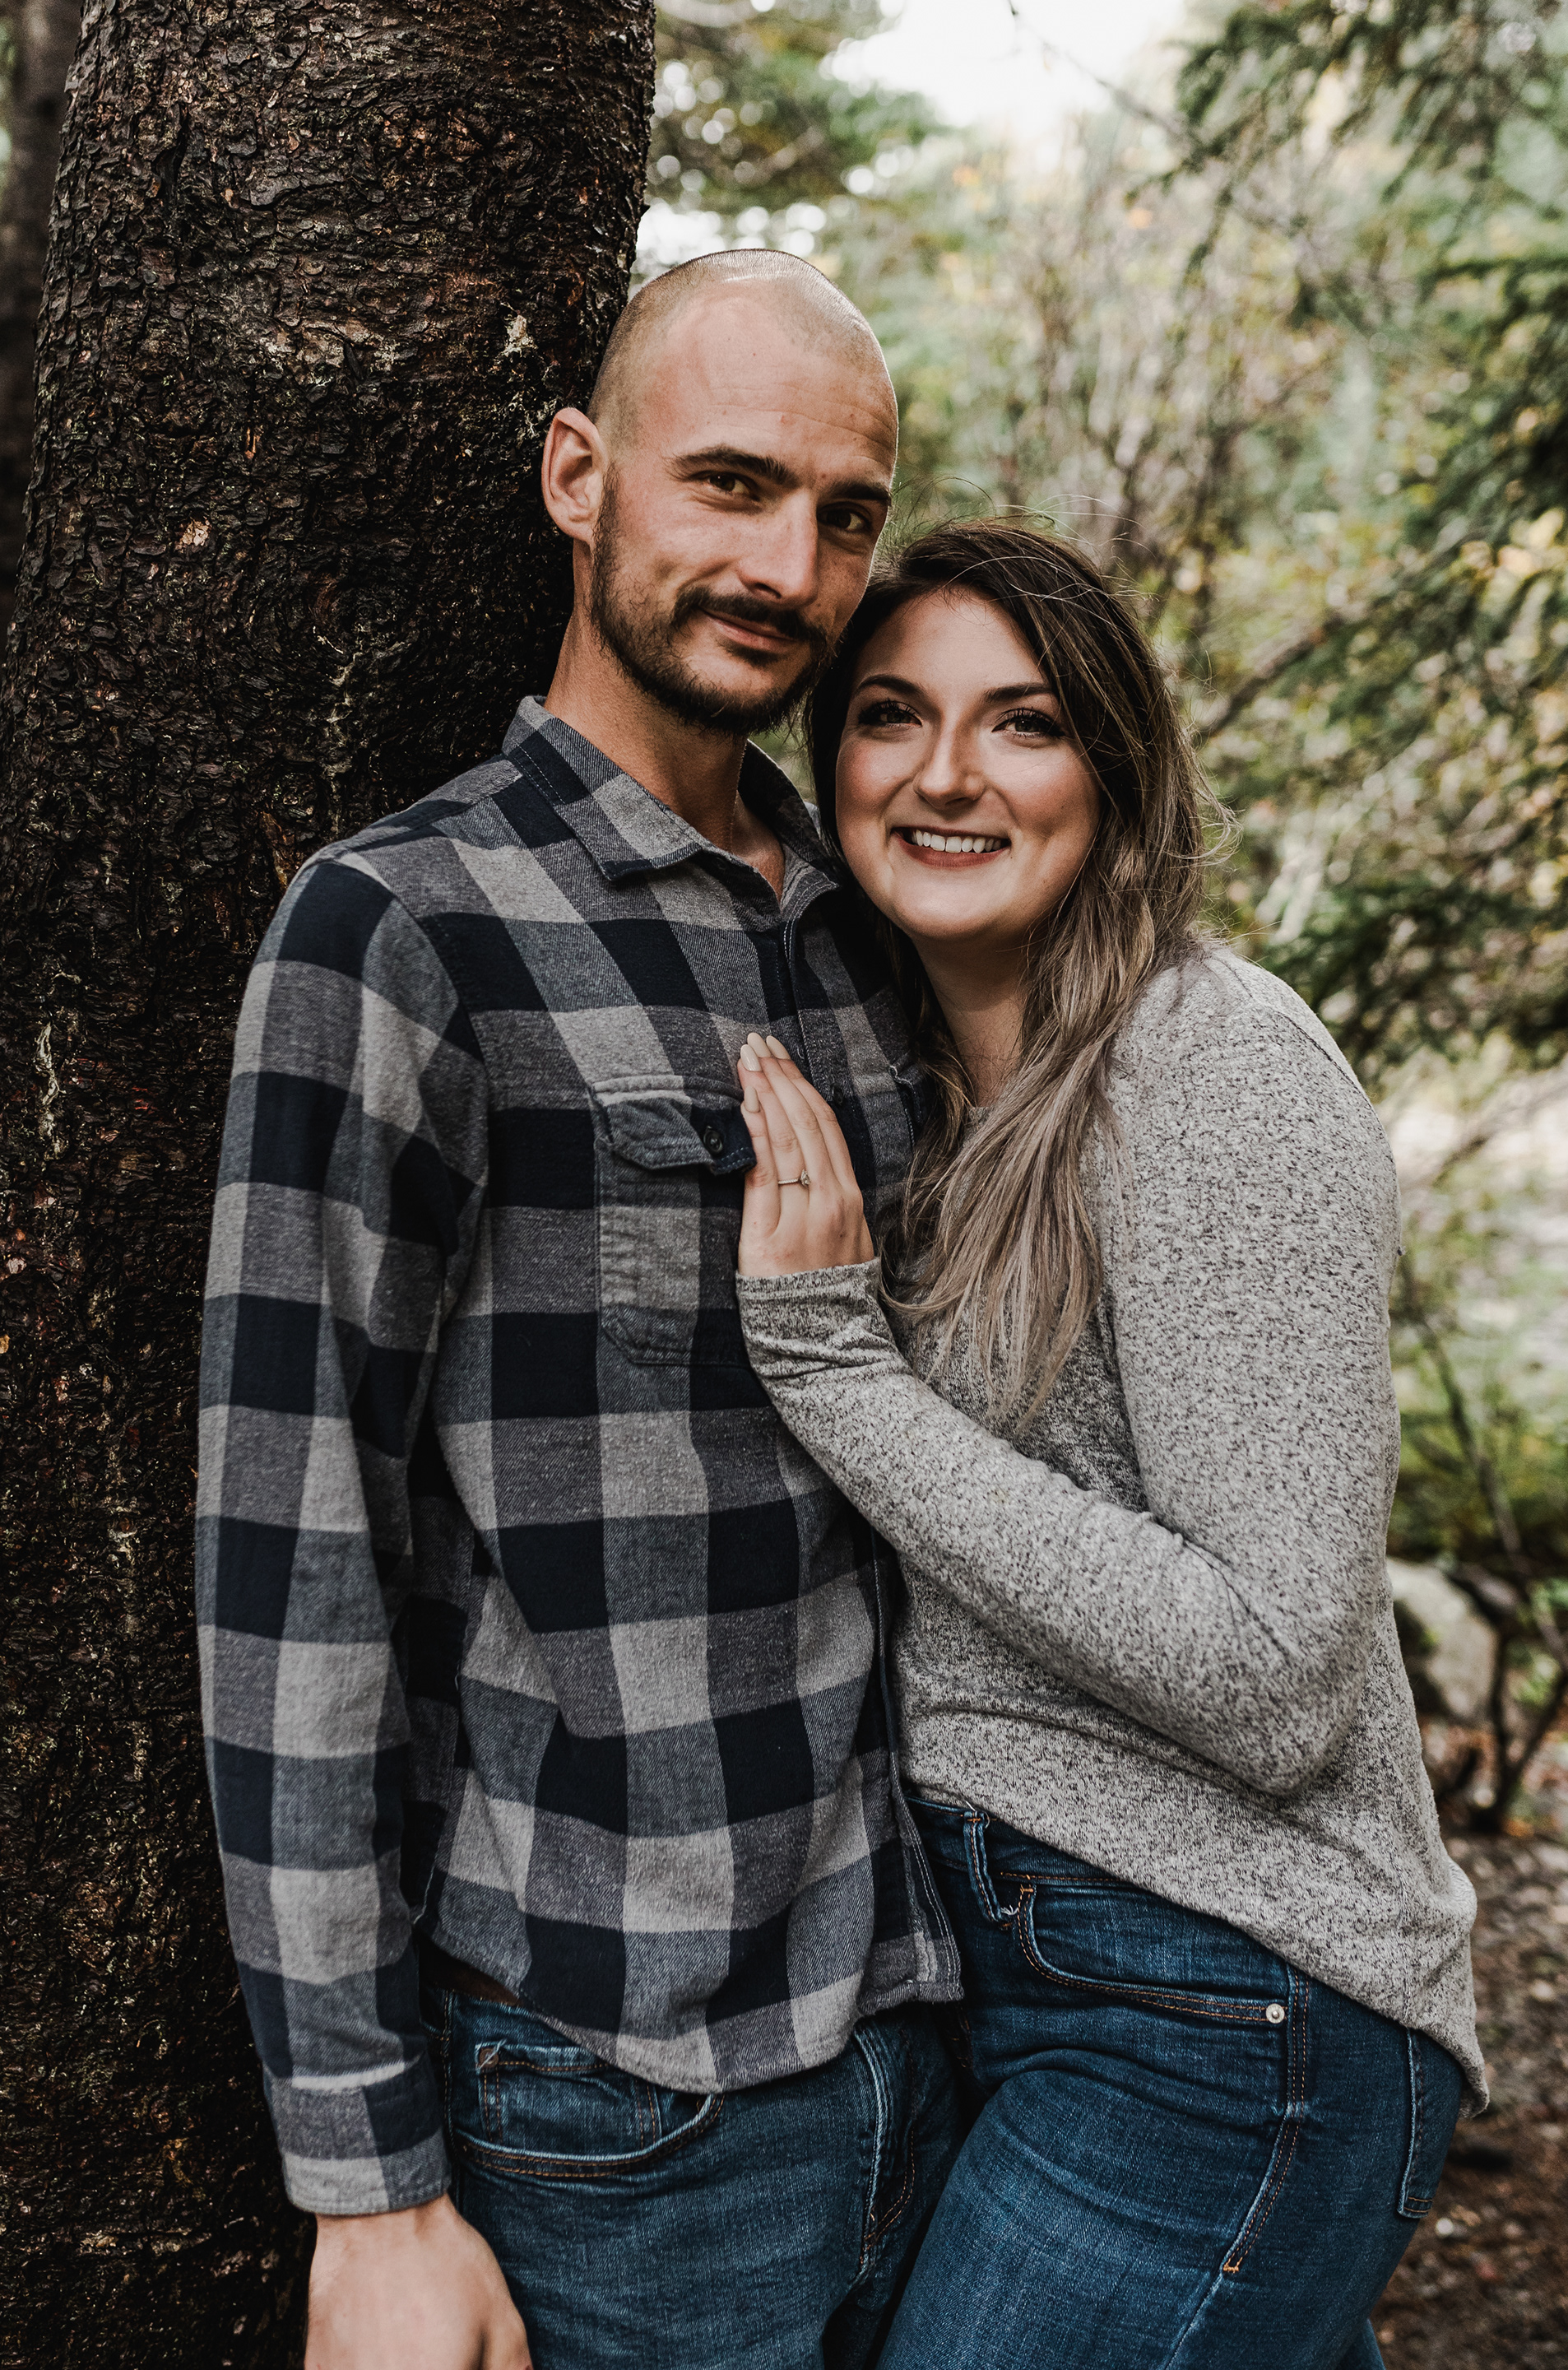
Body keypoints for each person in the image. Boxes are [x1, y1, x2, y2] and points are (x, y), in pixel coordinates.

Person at [197, 251, 967, 2370]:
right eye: (730, 484)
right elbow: (290, 1559)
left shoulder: (880, 928)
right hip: (619, 2105)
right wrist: (368, 2190)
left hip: (939, 2032)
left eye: (844, 514)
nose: (789, 566)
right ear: (577, 477)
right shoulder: (401, 927)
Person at [731, 518, 1485, 2370]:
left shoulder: (1209, 1068)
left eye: (1026, 723)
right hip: (1021, 1976)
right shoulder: (931, 1084)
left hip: (1232, 2004)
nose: (948, 774)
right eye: (892, 715)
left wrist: (841, 1381)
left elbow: (1278, 1676)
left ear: (1117, 772)